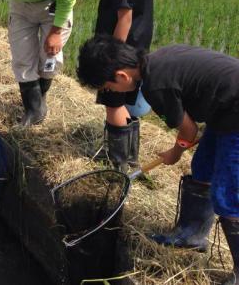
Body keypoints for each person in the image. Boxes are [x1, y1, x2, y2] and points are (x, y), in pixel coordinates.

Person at [77, 35, 239, 285]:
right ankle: (191, 235)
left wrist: (175, 152)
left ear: (121, 77)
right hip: (225, 109)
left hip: (234, 114)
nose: (112, 93)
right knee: (203, 167)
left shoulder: (156, 86)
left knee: (227, 195)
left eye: (108, 89)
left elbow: (189, 132)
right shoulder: (159, 59)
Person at [80, 0, 154, 172]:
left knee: (114, 104)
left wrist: (110, 60)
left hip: (120, 51)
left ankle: (118, 162)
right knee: (124, 104)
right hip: (134, 49)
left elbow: (125, 17)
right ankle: (129, 158)